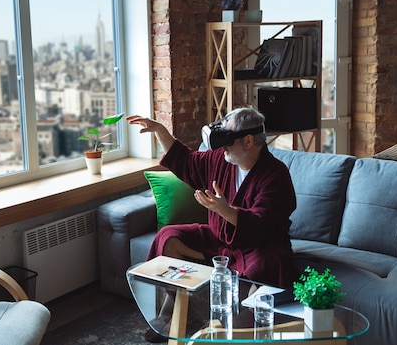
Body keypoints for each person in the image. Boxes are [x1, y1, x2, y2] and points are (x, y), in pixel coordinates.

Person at [127, 107, 297, 289]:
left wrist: (225, 210)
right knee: (168, 237)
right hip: (220, 241)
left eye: (227, 139)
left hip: (258, 246)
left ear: (248, 141)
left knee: (266, 266)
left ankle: (239, 315)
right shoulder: (221, 158)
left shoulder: (275, 174)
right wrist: (160, 130)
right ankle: (179, 308)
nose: (222, 146)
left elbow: (264, 225)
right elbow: (186, 161)